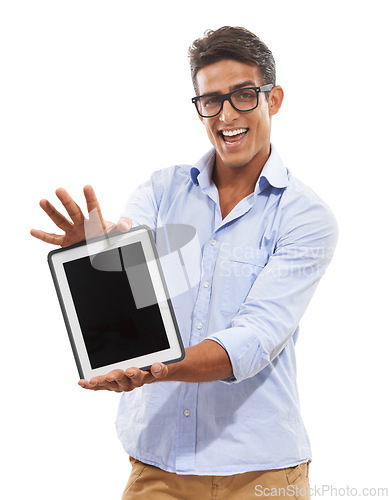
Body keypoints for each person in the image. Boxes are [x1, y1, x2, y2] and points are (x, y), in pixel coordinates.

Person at [31, 26, 338, 500]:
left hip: (263, 472)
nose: (226, 115)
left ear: (273, 99)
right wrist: (92, 254)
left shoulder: (306, 216)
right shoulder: (161, 190)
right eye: (210, 101)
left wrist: (159, 368)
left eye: (242, 96)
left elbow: (255, 339)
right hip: (158, 467)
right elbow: (132, 285)